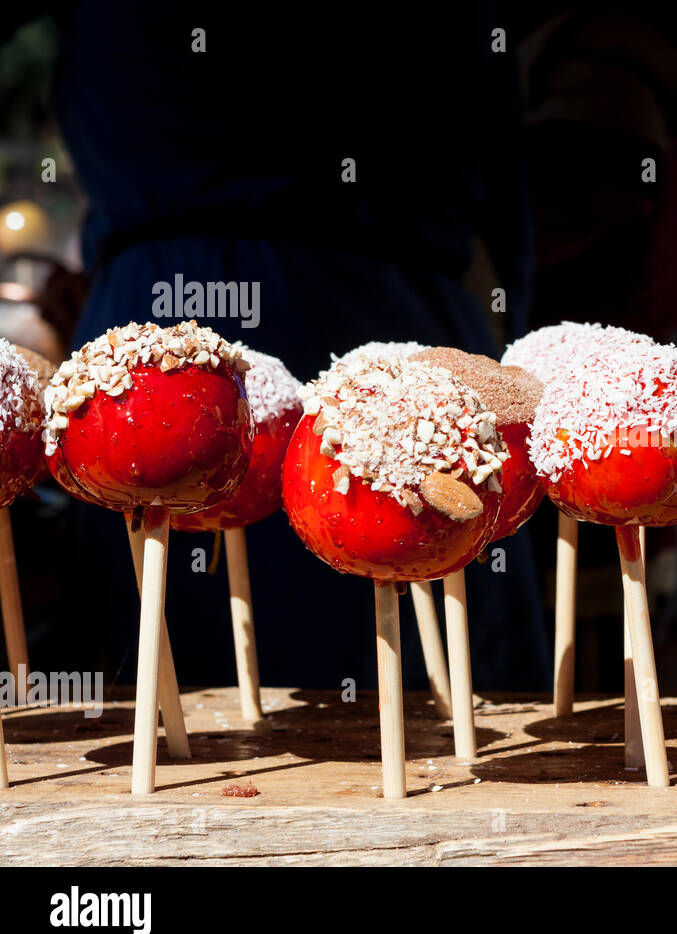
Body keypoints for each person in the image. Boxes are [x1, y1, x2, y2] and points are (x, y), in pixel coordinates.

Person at [4, 3, 548, 692]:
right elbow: (505, 184)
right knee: (179, 674)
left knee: (428, 674)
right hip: (195, 343)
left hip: (175, 300)